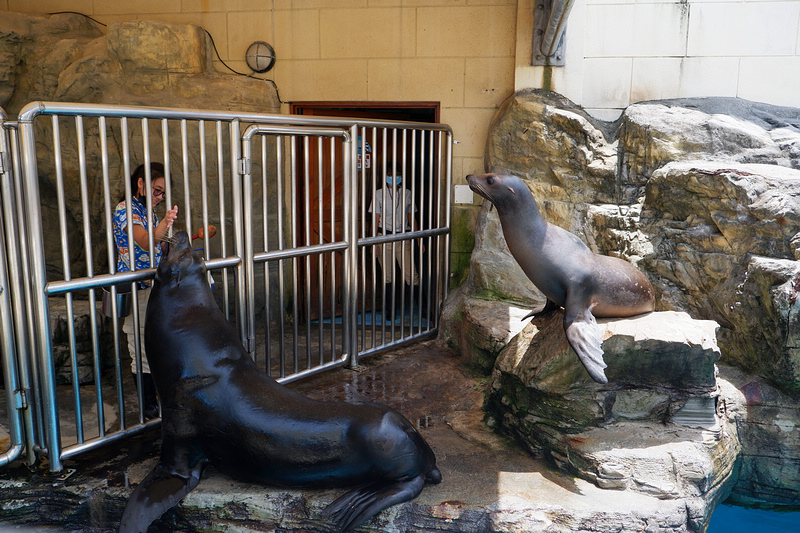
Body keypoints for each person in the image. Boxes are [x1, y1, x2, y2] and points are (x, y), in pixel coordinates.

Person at [112, 162, 178, 419]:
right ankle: (149, 408)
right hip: (136, 286)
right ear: (140, 183)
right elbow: (145, 240)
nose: (159, 197)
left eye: (163, 193)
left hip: (153, 286)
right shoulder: (126, 209)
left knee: (159, 343)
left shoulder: (147, 211)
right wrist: (164, 223)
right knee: (139, 346)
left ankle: (159, 402)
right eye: (156, 190)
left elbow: (156, 246)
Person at [368, 164, 422, 321]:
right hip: (383, 237)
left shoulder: (407, 193)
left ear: (401, 177)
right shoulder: (378, 194)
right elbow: (376, 218)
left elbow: (412, 217)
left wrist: (419, 239)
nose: (393, 177)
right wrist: (374, 242)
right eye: (390, 174)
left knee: (412, 275)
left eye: (397, 174)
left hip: (403, 238)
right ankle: (389, 311)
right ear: (385, 176)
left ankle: (423, 309)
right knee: (387, 276)